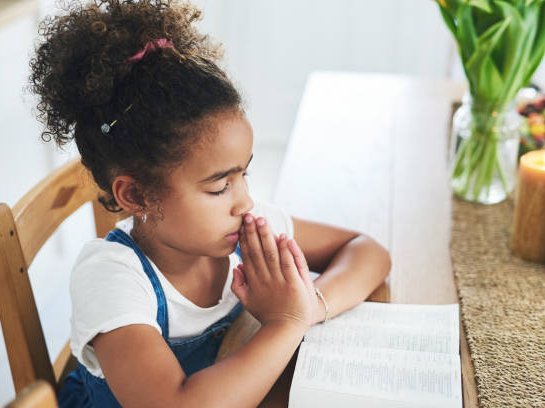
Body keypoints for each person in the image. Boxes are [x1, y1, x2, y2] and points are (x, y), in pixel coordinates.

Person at [29, 0, 391, 406]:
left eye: (244, 175)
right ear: (136, 196)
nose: (246, 201)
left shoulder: (244, 229)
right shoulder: (112, 278)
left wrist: (311, 306)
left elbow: (368, 251)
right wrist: (285, 323)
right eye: (220, 188)